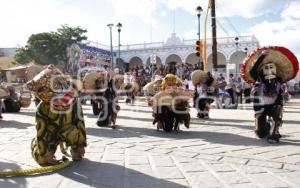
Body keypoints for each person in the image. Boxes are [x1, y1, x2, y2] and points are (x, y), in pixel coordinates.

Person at [241, 46, 299, 143]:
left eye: (271, 67)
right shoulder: (258, 78)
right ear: (262, 70)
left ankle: (274, 133)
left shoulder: (278, 80)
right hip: (261, 107)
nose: (269, 70)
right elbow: (252, 70)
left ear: (275, 69)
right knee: (261, 134)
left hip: (273, 105)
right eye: (266, 68)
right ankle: (265, 126)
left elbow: (280, 94)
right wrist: (262, 56)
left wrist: (279, 105)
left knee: (277, 113)